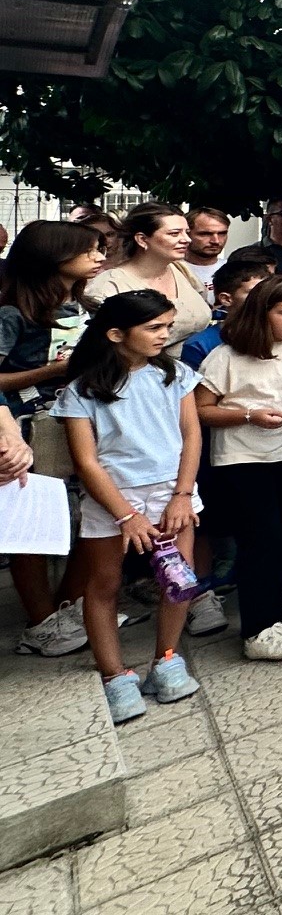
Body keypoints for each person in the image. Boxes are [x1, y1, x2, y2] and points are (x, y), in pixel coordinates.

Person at [50, 290, 205, 723]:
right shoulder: (82, 391)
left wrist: (182, 494)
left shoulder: (175, 374)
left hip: (172, 491)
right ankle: (114, 675)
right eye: (153, 327)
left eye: (167, 326)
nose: (164, 335)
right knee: (104, 583)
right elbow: (86, 461)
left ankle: (167, 660)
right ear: (116, 334)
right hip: (113, 498)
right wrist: (125, 515)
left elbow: (191, 435)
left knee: (177, 579)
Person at [194, 275, 282, 662]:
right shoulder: (226, 357)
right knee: (260, 540)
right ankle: (257, 629)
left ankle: (275, 619)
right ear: (261, 312)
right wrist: (249, 415)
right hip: (245, 458)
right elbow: (201, 409)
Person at [1, 220, 100, 657]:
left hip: (84, 422)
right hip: (29, 428)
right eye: (89, 250)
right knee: (33, 524)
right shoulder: (12, 314)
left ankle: (69, 608)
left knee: (92, 519)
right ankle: (40, 622)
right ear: (54, 257)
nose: (99, 258)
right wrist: (54, 371)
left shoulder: (86, 307)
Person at [84, 205, 212, 349]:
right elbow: (100, 345)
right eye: (174, 233)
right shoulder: (108, 286)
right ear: (142, 239)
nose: (187, 239)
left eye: (187, 232)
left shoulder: (180, 269)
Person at [185, 207, 232, 297]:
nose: (216, 241)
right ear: (187, 234)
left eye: (222, 233)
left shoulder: (234, 270)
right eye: (205, 234)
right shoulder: (171, 270)